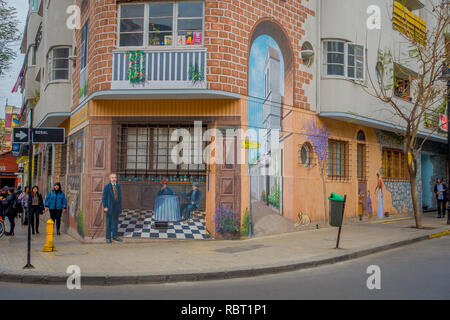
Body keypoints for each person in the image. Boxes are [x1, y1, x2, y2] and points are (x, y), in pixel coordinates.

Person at [102, 173, 123, 243]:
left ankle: (115, 236)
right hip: (109, 207)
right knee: (108, 223)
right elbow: (104, 197)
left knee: (115, 222)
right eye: (112, 178)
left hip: (116, 207)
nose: (114, 179)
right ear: (110, 179)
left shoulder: (118, 186)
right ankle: (108, 237)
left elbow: (119, 198)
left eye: (115, 178)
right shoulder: (107, 187)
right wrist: (105, 206)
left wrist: (120, 207)